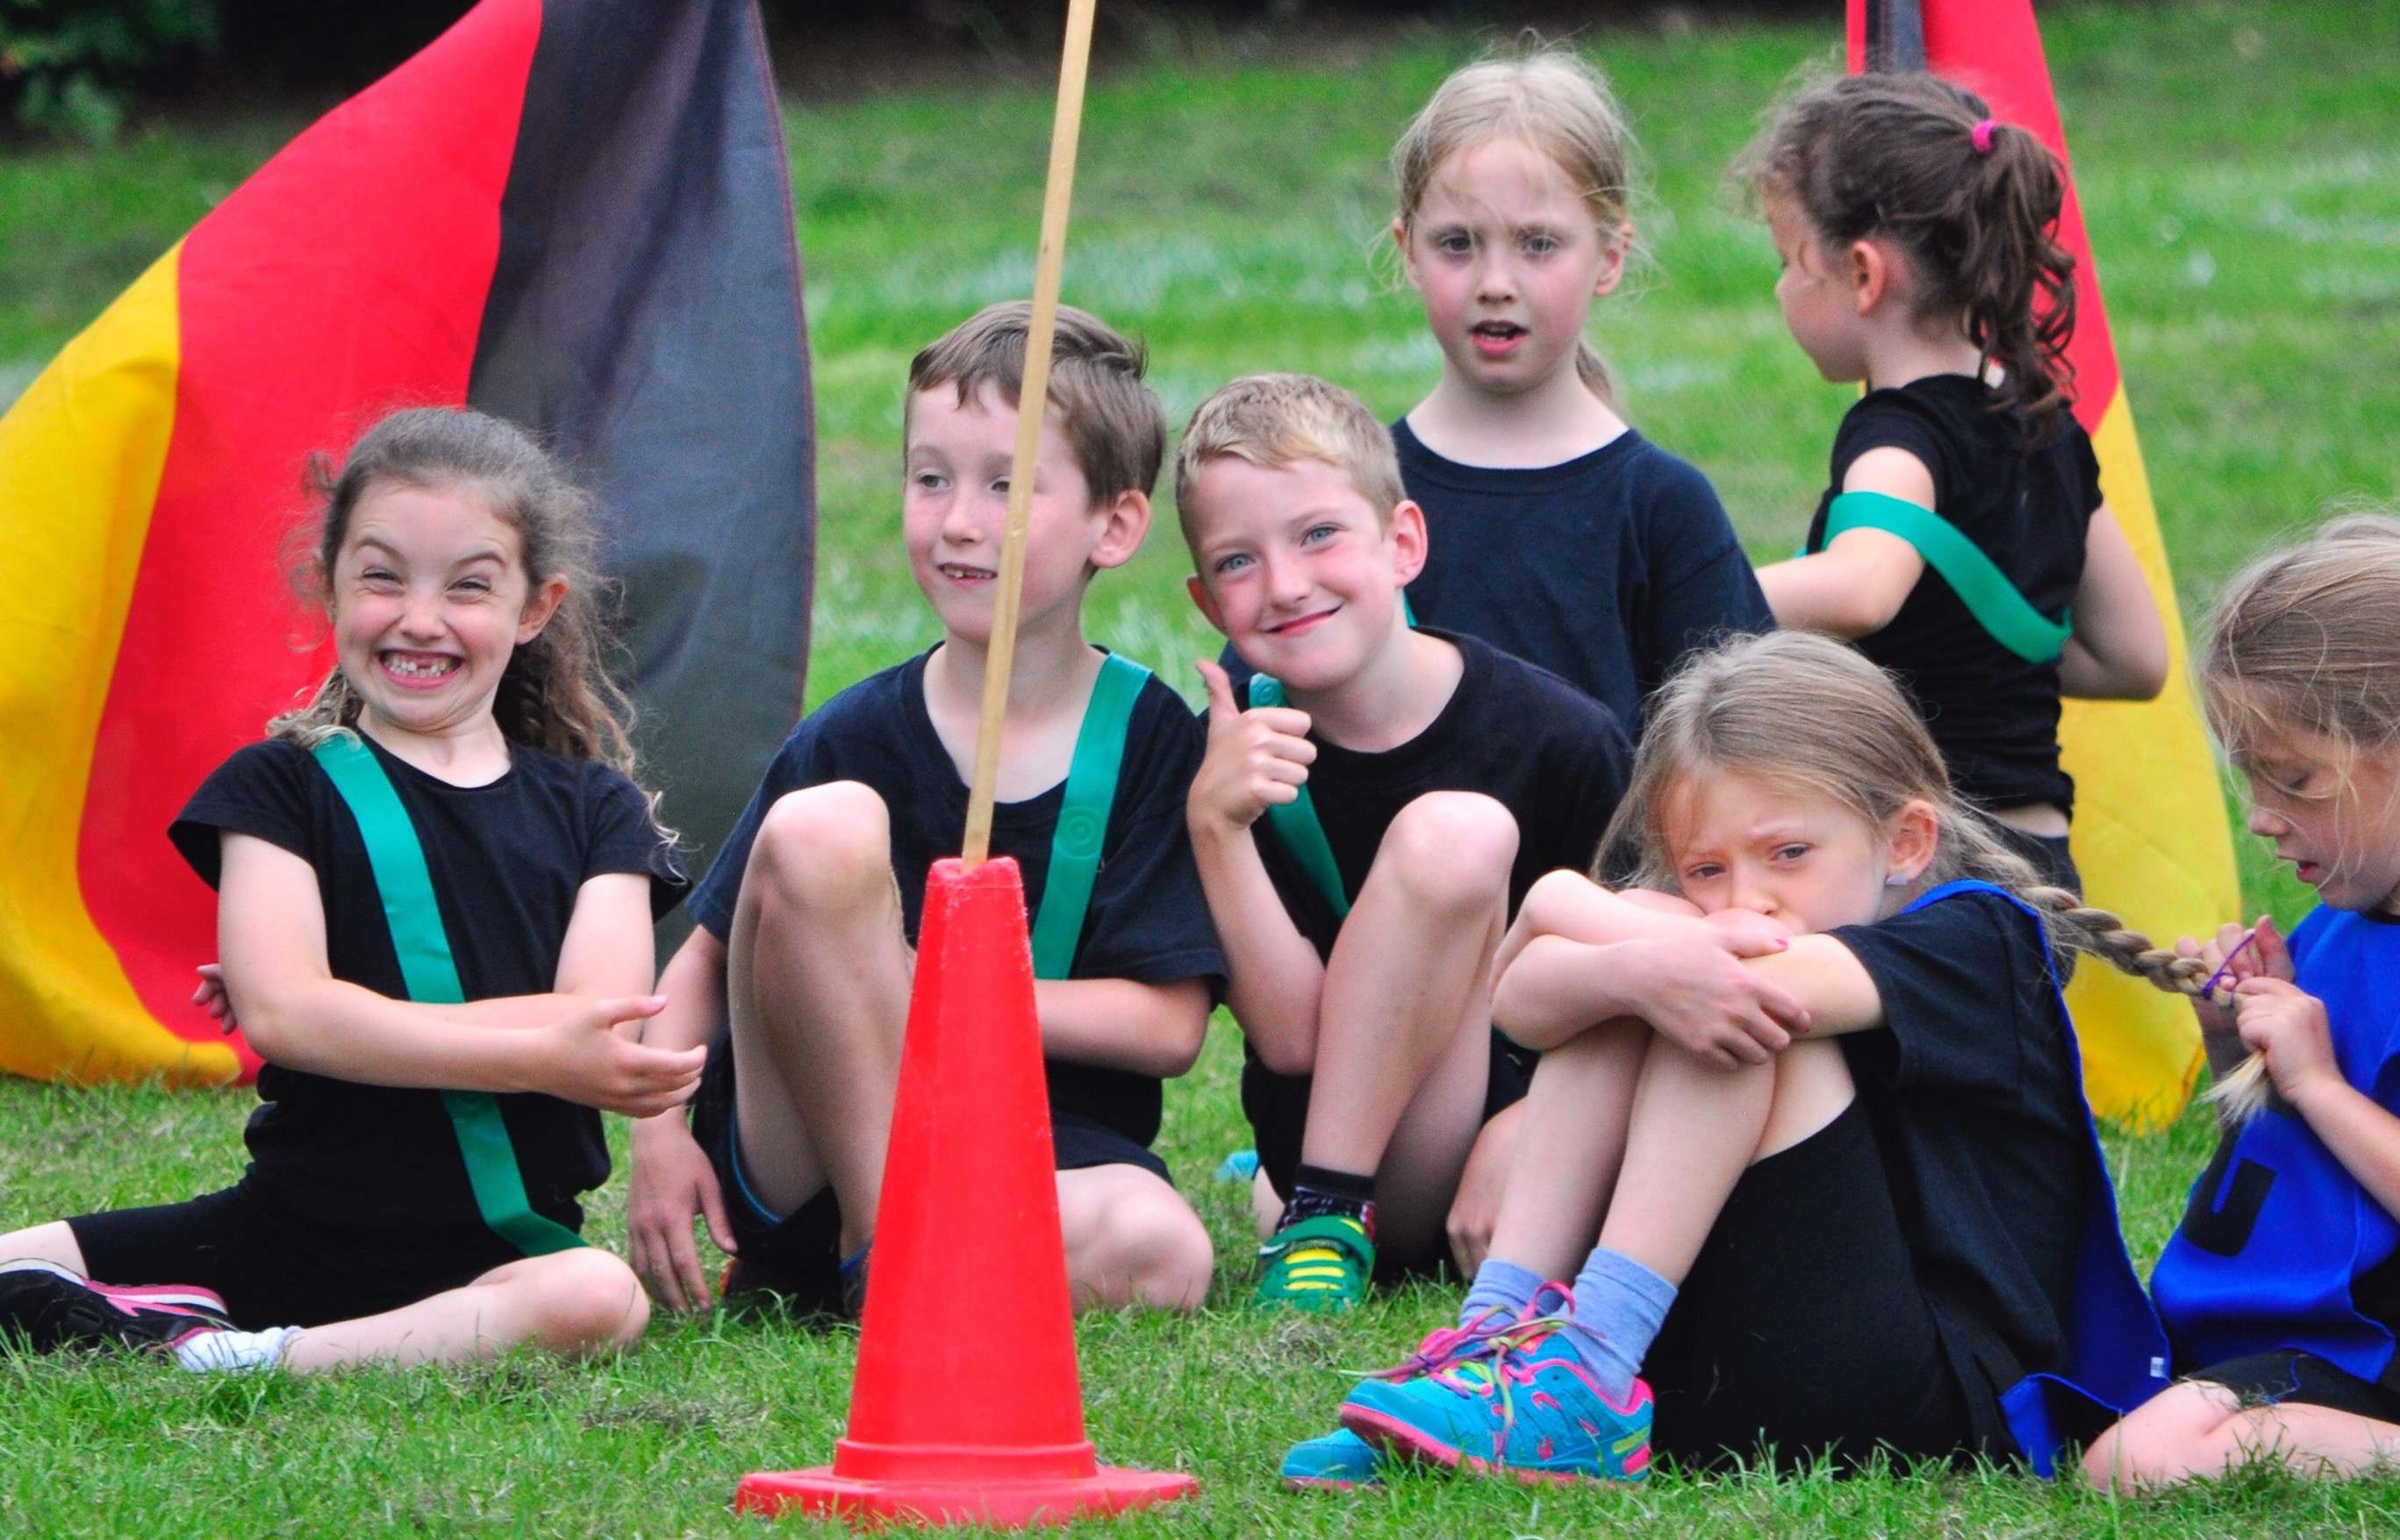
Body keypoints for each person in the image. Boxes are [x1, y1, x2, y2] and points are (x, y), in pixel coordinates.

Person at [1285, 632, 2186, 1487]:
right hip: (1708, 1372)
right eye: (1706, 869)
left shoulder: (1980, 937)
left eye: (1789, 853)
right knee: (1646, 985)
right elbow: (1518, 1001)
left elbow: (1728, 979)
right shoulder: (1705, 933)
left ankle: (1590, 1360)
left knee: (1727, 1008)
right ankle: (1497, 1349)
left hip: (1914, 1394)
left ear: (1905, 840)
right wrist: (1613, 951)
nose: (1746, 897)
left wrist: (1562, 904)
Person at [0, 408, 699, 1372]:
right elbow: (290, 1017)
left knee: (598, 1295)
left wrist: (347, 1002)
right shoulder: (277, 787)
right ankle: (197, 1309)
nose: (420, 618)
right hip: (284, 1232)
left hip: (502, 1260)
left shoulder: (597, 809)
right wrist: (533, 1046)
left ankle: (231, 1358)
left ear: (535, 608)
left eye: (469, 585)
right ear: (329, 583)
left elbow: (598, 1022)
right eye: (382, 576)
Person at [625, 302, 1222, 1322]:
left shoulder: (1150, 736)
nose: (958, 521)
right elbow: (703, 961)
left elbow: (1167, 1025)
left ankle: (920, 1261)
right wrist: (656, 1135)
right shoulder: (852, 733)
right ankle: (888, 1246)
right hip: (809, 1153)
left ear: (1115, 525)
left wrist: (939, 986)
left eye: (1007, 485)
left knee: (1164, 1249)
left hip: (1036, 1144)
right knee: (820, 830)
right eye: (930, 477)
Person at [1178, 375, 1634, 1312]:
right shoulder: (1226, 765)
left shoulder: (1561, 737)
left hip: (1501, 1151)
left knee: (1458, 834)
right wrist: (1216, 827)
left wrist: (1529, 1124)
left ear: (1404, 542)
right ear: (1206, 601)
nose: (1286, 583)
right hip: (1327, 1152)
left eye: (1319, 534)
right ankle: (1320, 1212)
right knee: (1455, 835)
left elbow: (1633, 980)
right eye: (1238, 561)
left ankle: (1307, 1207)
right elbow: (1293, 1040)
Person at [2088, 517, 2400, 1490]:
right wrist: (2235, 1044)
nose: (2262, 817)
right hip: (2296, 1333)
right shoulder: (2339, 928)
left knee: (2140, 1459)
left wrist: (2320, 1085)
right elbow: (2297, 1176)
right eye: (2251, 780)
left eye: (2294, 779)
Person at [1745, 72, 2169, 892]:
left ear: (1862, 274)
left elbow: (1862, 588)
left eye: (1787, 261)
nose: (1780, 288)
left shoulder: (1898, 433)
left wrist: (1682, 591)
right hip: (2042, 874)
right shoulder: (2047, 426)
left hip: (1933, 874)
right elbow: (2134, 658)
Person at [1379, 45, 1771, 737]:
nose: (1495, 282)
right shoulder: (1360, 493)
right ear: (1409, 250)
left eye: (1538, 244)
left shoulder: (1663, 508)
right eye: (1457, 243)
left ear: (1610, 257)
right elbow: (1263, 703)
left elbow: (1747, 753)